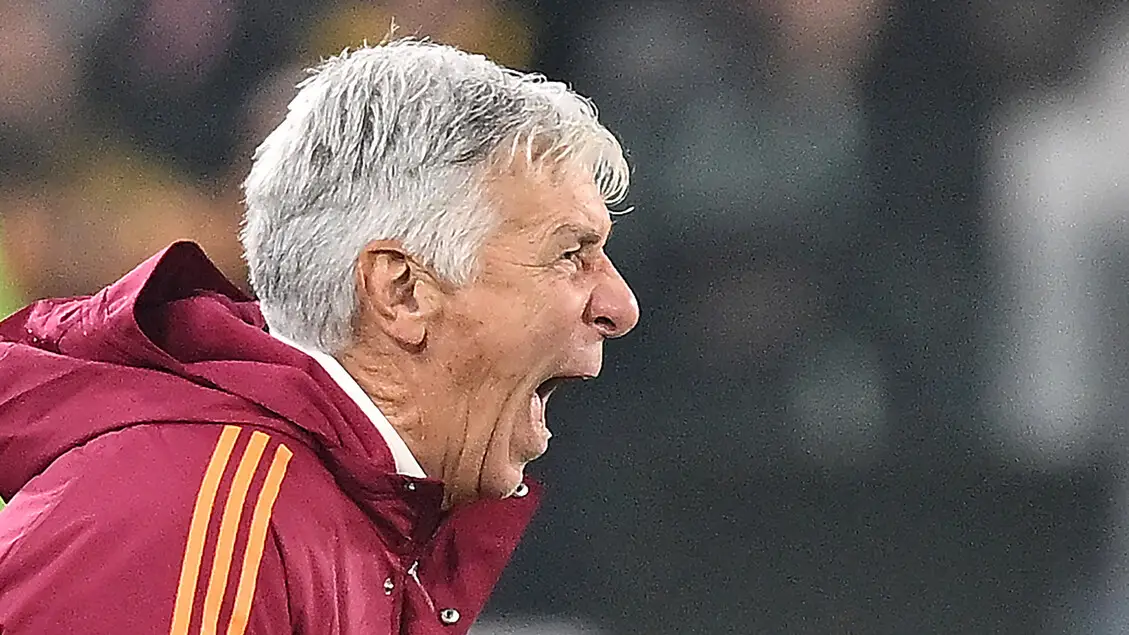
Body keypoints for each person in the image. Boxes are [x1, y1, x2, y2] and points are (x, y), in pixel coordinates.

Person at [0, 39, 639, 634]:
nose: (621, 306)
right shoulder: (199, 524)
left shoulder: (338, 516)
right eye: (570, 255)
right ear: (402, 292)